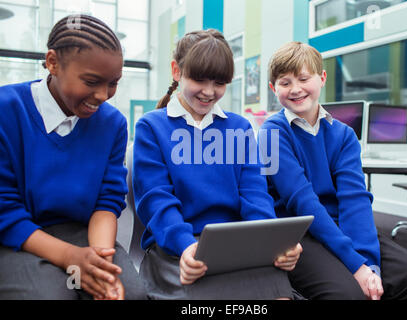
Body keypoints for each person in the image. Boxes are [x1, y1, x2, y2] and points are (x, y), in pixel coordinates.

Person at [259, 41, 407, 300]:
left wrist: (369, 264)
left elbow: (355, 201)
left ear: (322, 78)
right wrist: (355, 265)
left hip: (341, 224)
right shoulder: (272, 133)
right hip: (300, 233)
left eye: (303, 78)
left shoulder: (343, 134)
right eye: (285, 82)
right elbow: (303, 202)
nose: (295, 89)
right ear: (273, 88)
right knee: (347, 294)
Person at [132, 29, 302, 300]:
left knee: (278, 294)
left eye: (220, 82)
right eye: (199, 79)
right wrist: (187, 247)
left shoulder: (240, 127)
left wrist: (273, 244)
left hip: (235, 248)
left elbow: (256, 196)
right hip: (177, 249)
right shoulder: (152, 127)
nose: (209, 92)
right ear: (177, 71)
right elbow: (156, 201)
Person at [0, 14, 146, 300]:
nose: (103, 95)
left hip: (83, 234)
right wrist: (70, 257)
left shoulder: (112, 124)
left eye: (113, 83)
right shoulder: (7, 110)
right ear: (53, 62)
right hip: (16, 237)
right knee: (51, 295)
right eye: (91, 81)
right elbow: (4, 210)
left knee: (129, 294)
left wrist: (100, 261)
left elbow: (107, 200)